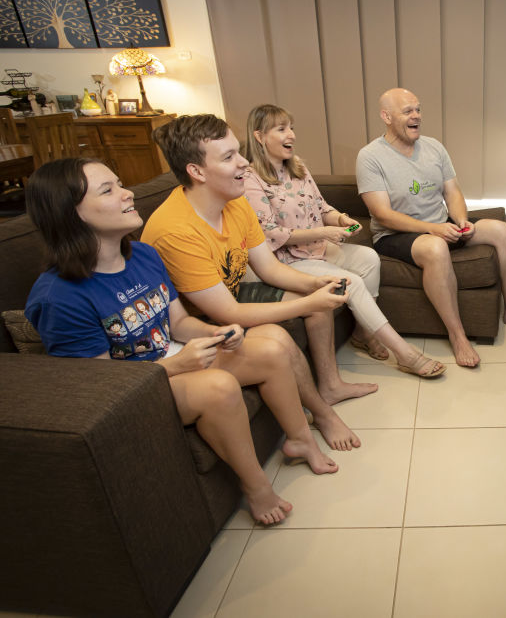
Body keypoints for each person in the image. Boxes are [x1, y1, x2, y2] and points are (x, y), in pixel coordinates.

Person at [24, 158, 339, 526]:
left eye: (119, 183)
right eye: (108, 191)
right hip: (132, 392)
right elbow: (99, 386)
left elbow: (179, 322)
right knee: (219, 387)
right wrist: (176, 365)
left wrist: (215, 333)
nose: (128, 194)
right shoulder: (60, 297)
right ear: (70, 213)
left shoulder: (143, 255)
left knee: (270, 348)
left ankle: (301, 439)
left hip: (169, 361)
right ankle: (256, 487)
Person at [141, 114, 367, 452]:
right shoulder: (175, 230)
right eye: (229, 156)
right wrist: (310, 301)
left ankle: (329, 386)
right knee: (296, 321)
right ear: (197, 171)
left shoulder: (235, 203)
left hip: (228, 296)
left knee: (315, 296)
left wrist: (315, 284)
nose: (245, 162)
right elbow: (228, 312)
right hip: (200, 321)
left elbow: (270, 269)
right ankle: (322, 414)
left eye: (238, 151)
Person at [243, 104, 444, 378]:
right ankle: (404, 353)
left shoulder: (298, 167)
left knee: (369, 259)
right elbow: (271, 233)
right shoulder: (250, 179)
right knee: (353, 282)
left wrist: (340, 220)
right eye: (281, 129)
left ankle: (363, 332)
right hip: (287, 260)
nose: (291, 134)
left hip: (317, 250)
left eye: (291, 127)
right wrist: (323, 233)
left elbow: (322, 207)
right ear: (259, 136)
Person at [356, 88, 506, 368]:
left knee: (501, 231)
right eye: (408, 111)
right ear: (386, 116)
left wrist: (460, 219)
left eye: (418, 109)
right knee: (435, 247)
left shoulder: (434, 147)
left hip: (439, 224)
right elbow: (382, 214)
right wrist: (432, 229)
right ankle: (458, 336)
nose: (416, 115)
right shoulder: (370, 157)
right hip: (396, 234)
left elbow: (452, 191)